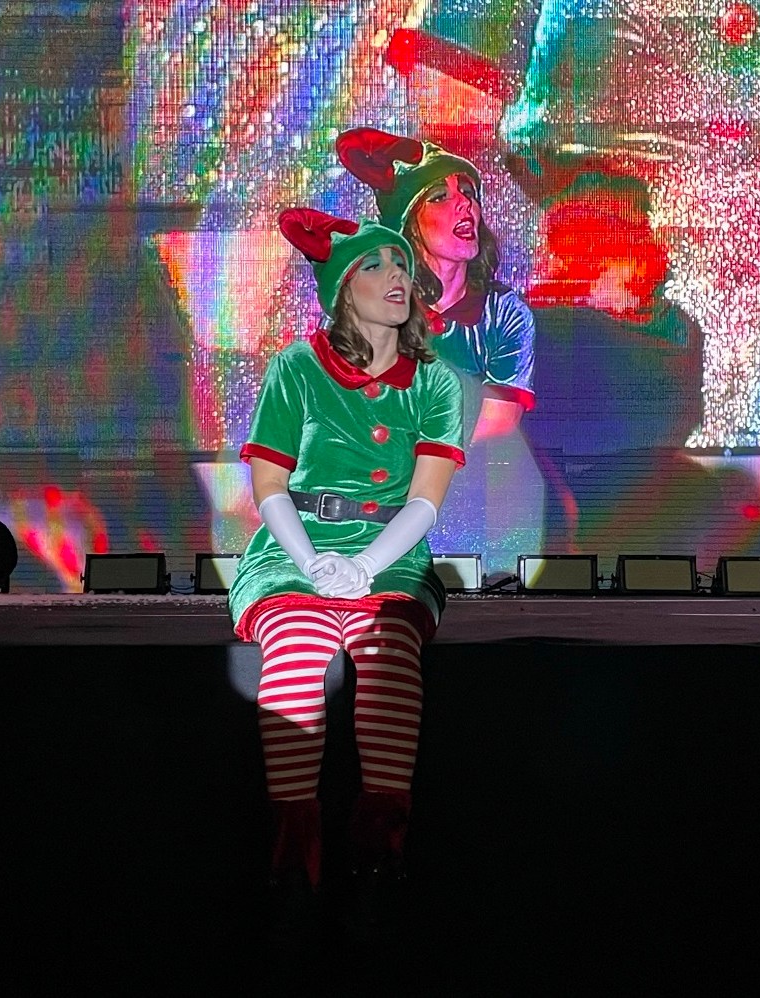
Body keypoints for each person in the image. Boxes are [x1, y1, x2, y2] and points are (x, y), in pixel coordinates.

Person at [227, 208, 464, 904]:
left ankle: (379, 850)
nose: (397, 276)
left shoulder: (436, 382)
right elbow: (269, 486)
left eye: (402, 265)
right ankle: (293, 854)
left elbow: (426, 501)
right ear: (341, 289)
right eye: (376, 265)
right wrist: (310, 564)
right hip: (294, 549)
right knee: (297, 653)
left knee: (388, 656)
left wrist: (365, 568)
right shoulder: (296, 367)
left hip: (390, 555)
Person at [335, 127, 541, 574]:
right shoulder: (366, 310)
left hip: (474, 509)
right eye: (440, 197)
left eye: (468, 192)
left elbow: (494, 427)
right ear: (408, 223)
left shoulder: (504, 313)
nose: (465, 204)